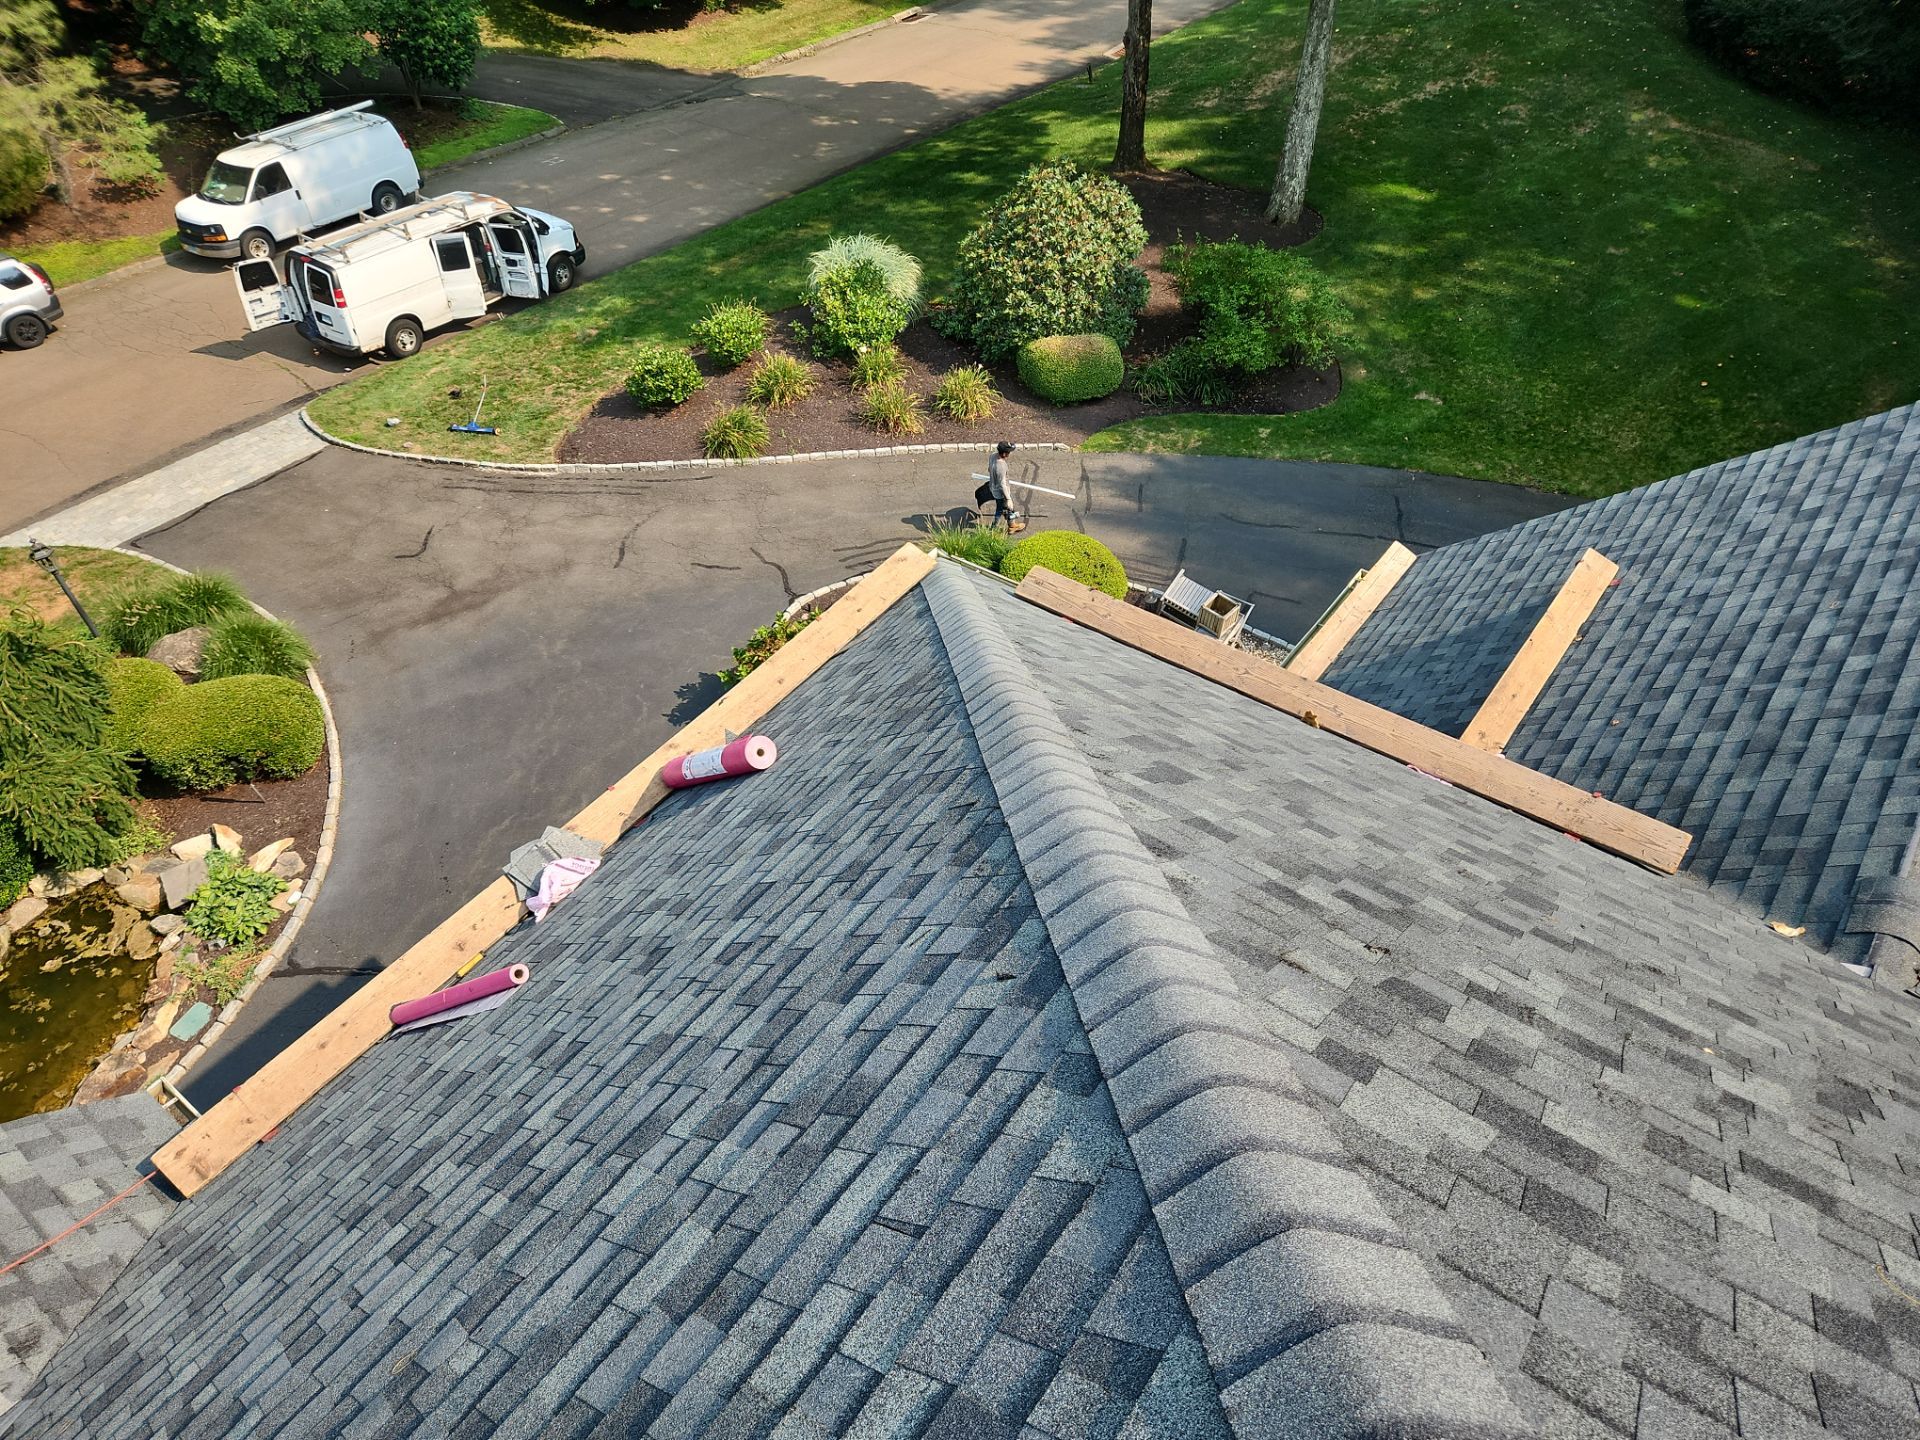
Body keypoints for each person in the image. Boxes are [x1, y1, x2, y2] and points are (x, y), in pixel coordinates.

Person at [985, 441, 1021, 531]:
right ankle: (994, 528)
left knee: (1008, 508)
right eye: (1008, 452)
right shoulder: (1001, 465)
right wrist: (1008, 498)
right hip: (1000, 492)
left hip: (993, 486)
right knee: (1000, 509)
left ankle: (1011, 524)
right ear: (1004, 453)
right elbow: (1002, 484)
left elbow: (989, 469)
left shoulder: (993, 456)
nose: (1009, 454)